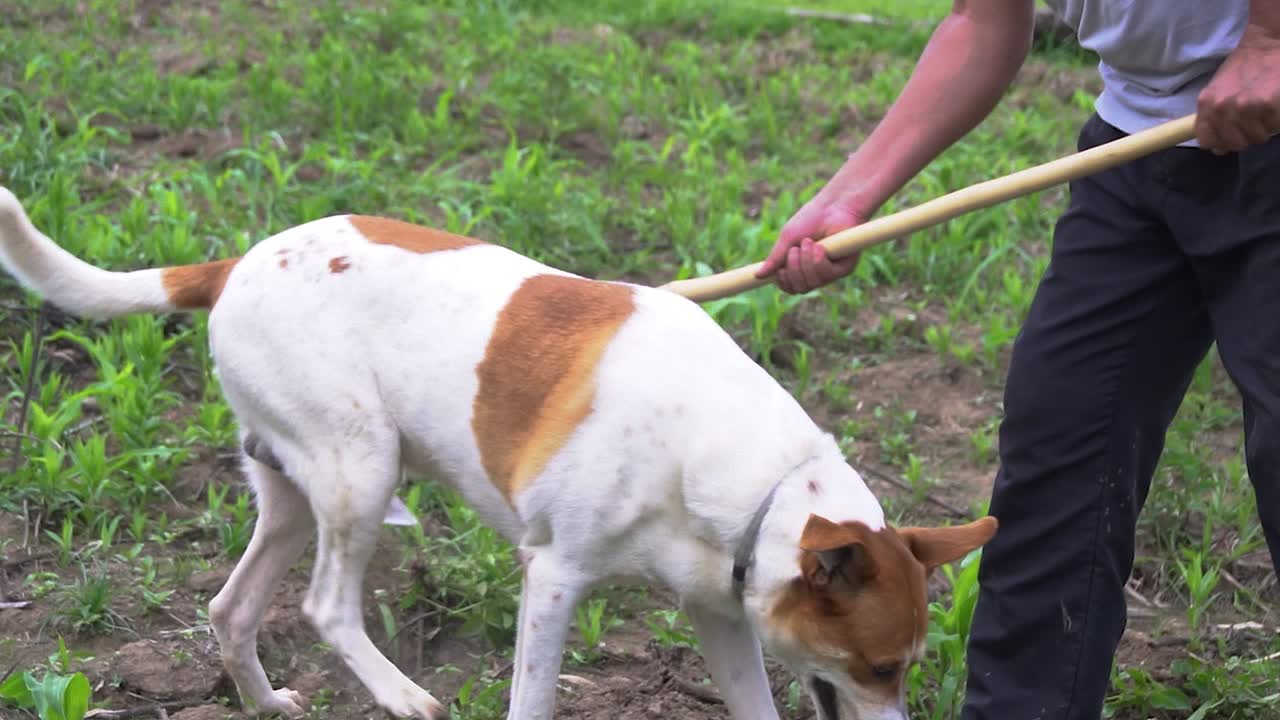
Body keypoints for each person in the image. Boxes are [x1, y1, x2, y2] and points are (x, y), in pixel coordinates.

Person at [756, 1, 1280, 718]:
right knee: (1062, 444)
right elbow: (983, 21)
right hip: (1137, 148)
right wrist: (850, 201)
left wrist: (1270, 40)